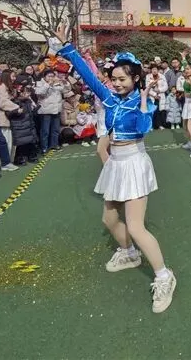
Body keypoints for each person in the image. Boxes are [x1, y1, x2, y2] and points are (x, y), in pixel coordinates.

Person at [52, 26, 177, 314]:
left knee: (135, 226)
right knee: (109, 219)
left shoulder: (141, 102)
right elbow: (87, 75)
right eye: (114, 79)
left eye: (123, 79)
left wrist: (144, 102)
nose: (117, 83)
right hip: (116, 164)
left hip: (134, 163)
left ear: (135, 79)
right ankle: (130, 253)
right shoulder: (109, 98)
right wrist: (67, 47)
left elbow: (143, 129)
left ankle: (164, 276)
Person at [35, 69, 66, 154]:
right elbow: (39, 93)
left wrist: (64, 82)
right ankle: (44, 147)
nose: (51, 78)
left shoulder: (56, 83)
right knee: (45, 130)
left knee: (55, 129)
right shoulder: (39, 83)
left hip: (56, 109)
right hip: (46, 110)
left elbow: (65, 90)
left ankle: (54, 145)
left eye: (52, 76)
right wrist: (48, 84)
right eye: (49, 76)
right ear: (44, 77)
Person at [144, 65, 169, 130]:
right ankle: (151, 126)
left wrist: (159, 90)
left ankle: (160, 125)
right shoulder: (148, 76)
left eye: (155, 69)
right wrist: (154, 95)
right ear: (151, 70)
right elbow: (147, 87)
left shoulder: (162, 76)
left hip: (160, 95)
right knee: (152, 111)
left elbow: (166, 86)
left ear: (157, 70)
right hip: (152, 96)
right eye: (153, 69)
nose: (154, 71)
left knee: (160, 111)